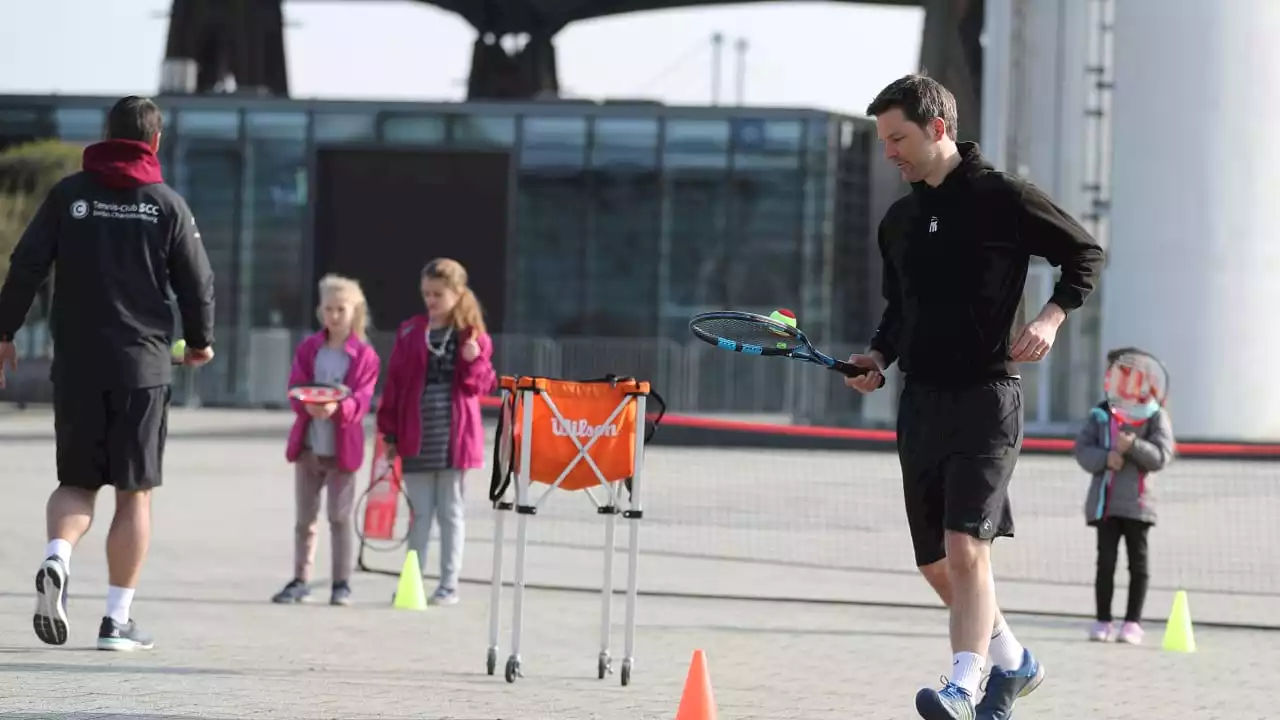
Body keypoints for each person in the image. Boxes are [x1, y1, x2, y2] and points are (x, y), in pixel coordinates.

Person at [845, 74, 1105, 720]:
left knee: (967, 548)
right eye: (884, 141)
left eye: (899, 138)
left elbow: (1085, 256)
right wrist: (877, 357)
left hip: (987, 398)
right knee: (936, 563)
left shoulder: (1003, 197)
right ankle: (1016, 661)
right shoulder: (899, 220)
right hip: (920, 401)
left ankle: (964, 682)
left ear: (938, 129)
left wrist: (1047, 320)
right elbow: (897, 311)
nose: (891, 153)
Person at [0, 95, 216, 651]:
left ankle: (57, 558)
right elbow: (198, 280)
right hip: (141, 367)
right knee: (134, 493)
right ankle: (116, 622)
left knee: (76, 483)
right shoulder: (166, 205)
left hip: (76, 364)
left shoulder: (68, 196)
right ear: (155, 142)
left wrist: (3, 333)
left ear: (106, 135)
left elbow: (25, 265)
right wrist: (200, 341)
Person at [376, 258, 497, 606]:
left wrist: (474, 358)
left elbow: (479, 386)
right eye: (426, 293)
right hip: (417, 438)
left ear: (457, 294)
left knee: (451, 512)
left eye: (438, 294)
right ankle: (412, 579)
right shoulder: (411, 332)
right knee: (419, 513)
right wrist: (390, 434)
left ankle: (448, 584)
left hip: (454, 440)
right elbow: (395, 386)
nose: (430, 300)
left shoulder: (472, 336)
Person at [273, 274, 381, 606]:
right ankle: (300, 579)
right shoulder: (309, 348)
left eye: (341, 309)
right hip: (308, 447)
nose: (334, 315)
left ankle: (341, 583)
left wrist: (338, 408)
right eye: (328, 308)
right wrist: (307, 405)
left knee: (340, 517)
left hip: (342, 450)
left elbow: (361, 400)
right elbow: (295, 388)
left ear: (355, 311)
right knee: (305, 518)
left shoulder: (364, 356)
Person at [1074, 347, 1175, 645]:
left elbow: (1161, 455)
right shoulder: (1100, 413)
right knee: (1105, 563)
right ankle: (1103, 620)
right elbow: (1083, 450)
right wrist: (1106, 458)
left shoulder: (1154, 415)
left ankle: (1133, 622)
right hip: (1106, 505)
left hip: (1138, 505)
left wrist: (1133, 447)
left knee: (1138, 564)